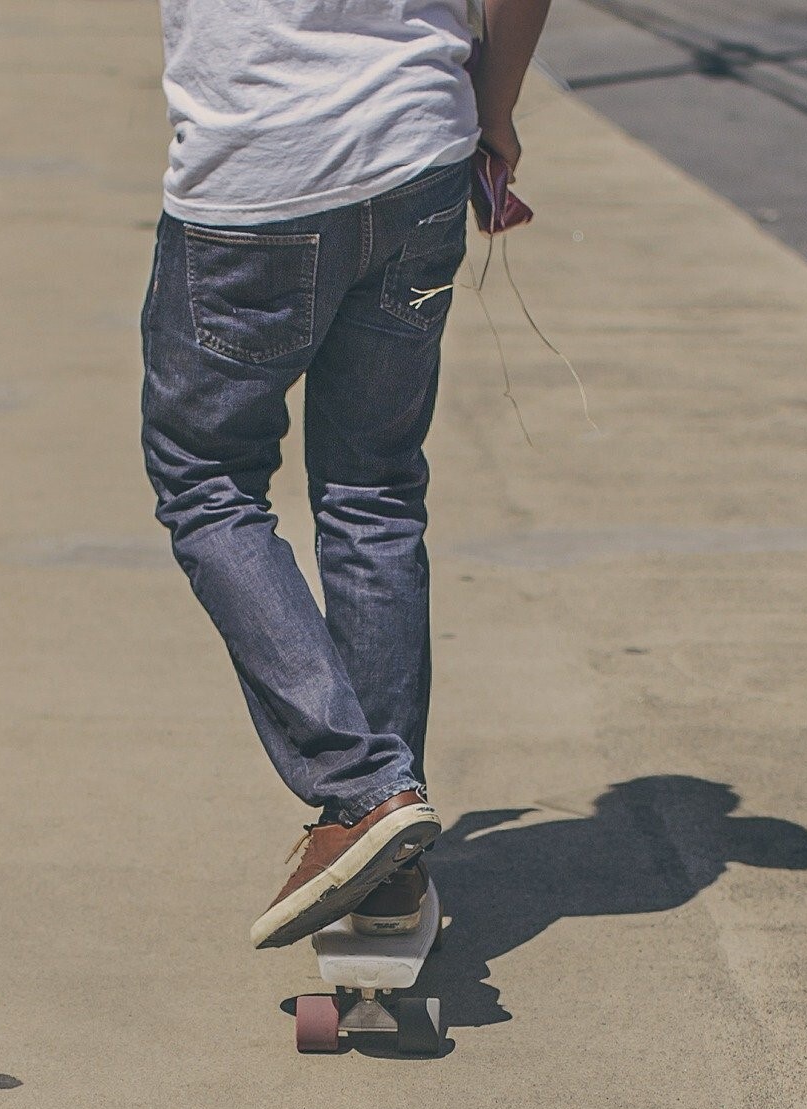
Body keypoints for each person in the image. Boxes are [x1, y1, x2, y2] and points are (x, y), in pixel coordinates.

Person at [140, 0, 551, 949]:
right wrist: (494, 110)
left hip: (255, 174)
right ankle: (386, 860)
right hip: (418, 151)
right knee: (373, 493)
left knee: (208, 482)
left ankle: (362, 791)